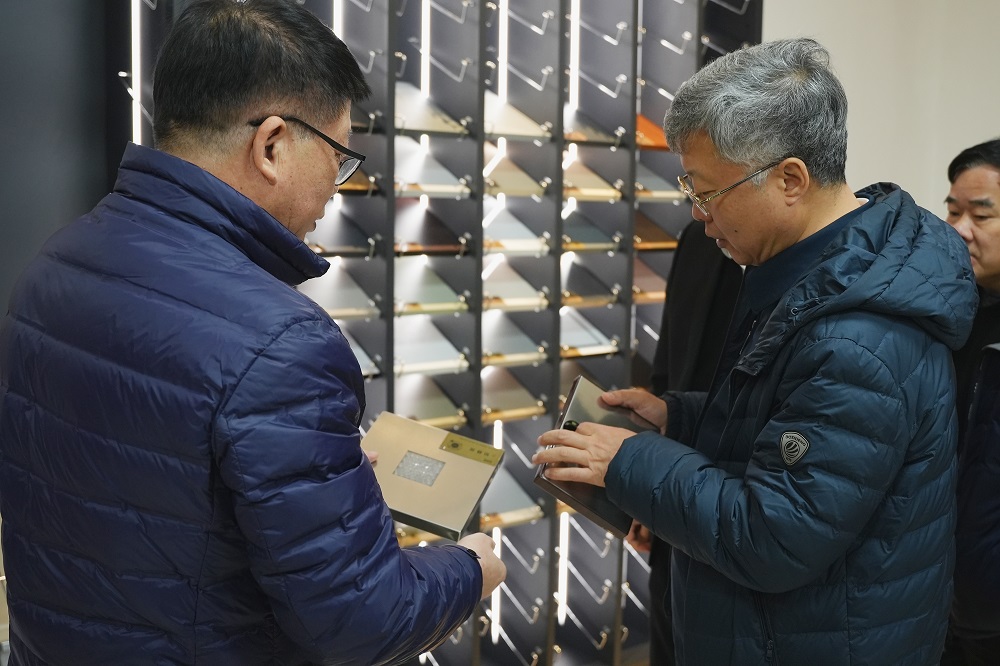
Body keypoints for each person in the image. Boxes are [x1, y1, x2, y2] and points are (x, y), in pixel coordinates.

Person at [0, 1, 504, 664]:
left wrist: (309, 482)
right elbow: (364, 622)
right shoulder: (283, 340)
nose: (337, 188)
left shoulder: (56, 265)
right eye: (339, 157)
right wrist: (470, 569)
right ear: (271, 145)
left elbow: (138, 490)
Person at [533, 37, 978, 664]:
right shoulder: (818, 273)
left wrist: (630, 460)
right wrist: (679, 418)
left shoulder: (857, 337)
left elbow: (775, 536)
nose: (698, 214)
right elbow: (784, 427)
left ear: (790, 179)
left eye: (708, 192)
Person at [632, 219, 742, 665]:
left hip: (739, 538)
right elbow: (668, 372)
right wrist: (645, 491)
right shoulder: (698, 237)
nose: (700, 210)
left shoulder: (812, 262)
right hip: (672, 523)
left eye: (708, 191)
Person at [940, 139, 1000, 665]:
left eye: (981, 215)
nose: (960, 229)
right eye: (953, 211)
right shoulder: (947, 311)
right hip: (940, 593)